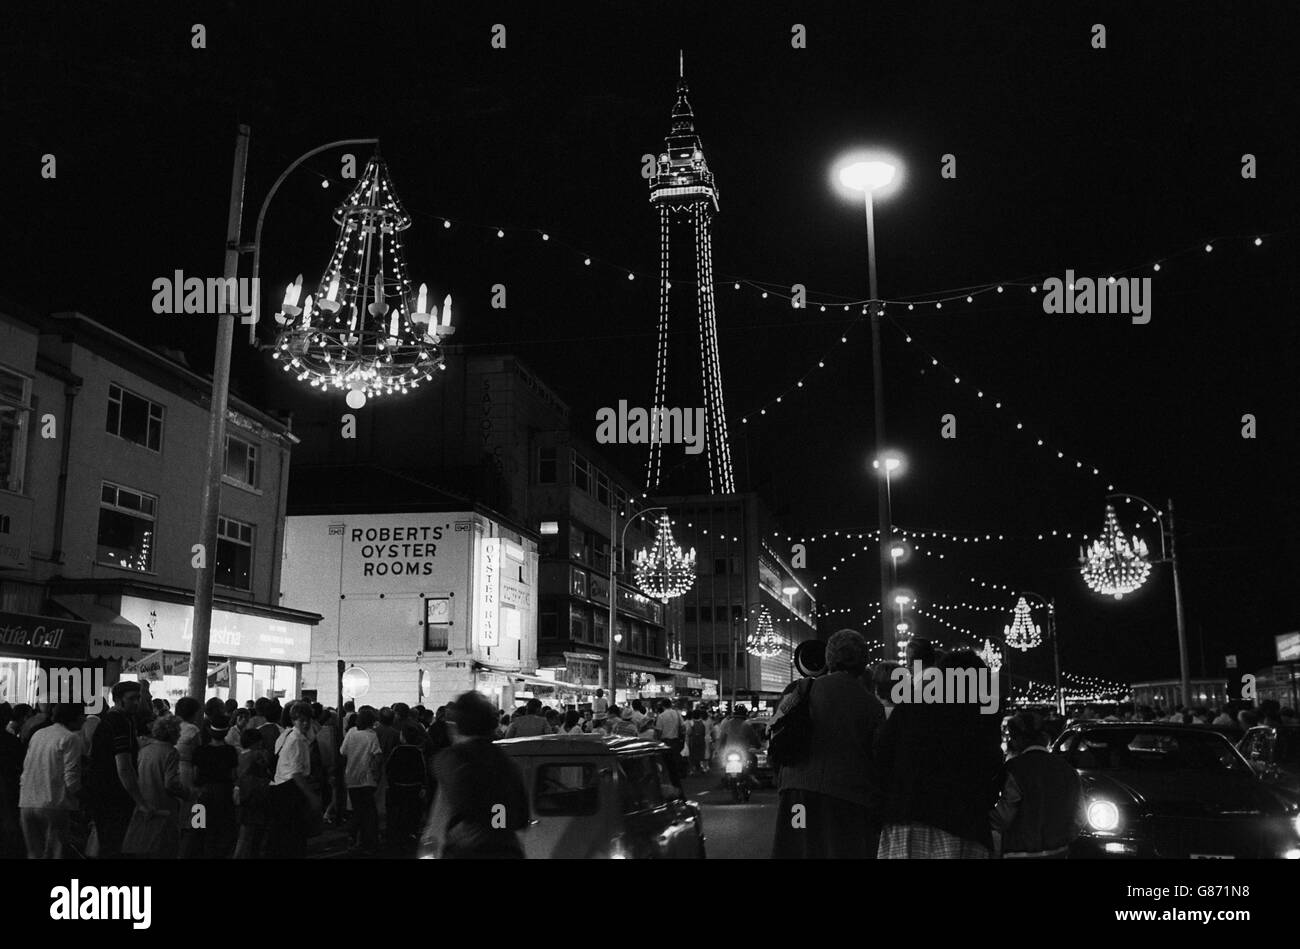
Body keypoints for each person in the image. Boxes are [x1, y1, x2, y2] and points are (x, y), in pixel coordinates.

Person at [876, 648, 1004, 859]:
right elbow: (990, 765)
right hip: (960, 822)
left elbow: (883, 756)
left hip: (906, 817)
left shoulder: (910, 706)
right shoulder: (979, 715)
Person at [771, 630, 886, 858]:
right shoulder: (871, 705)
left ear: (829, 658)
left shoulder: (802, 690)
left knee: (799, 846)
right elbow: (879, 758)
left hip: (797, 796)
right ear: (863, 662)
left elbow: (775, 732)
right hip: (845, 802)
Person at [425, 691, 529, 858]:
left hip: (467, 852)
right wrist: (497, 825)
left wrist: (478, 825)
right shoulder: (507, 762)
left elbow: (459, 800)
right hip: (507, 851)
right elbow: (520, 816)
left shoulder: (451, 759)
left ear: (456, 725)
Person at [989, 711, 1085, 859]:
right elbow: (1079, 817)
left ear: (1017, 740)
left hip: (1019, 852)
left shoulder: (1015, 768)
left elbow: (1004, 816)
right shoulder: (1067, 769)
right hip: (1059, 851)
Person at [86, 680, 146, 858]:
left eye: (138, 698)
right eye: (132, 698)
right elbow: (124, 767)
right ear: (119, 700)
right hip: (114, 795)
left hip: (100, 792)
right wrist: (140, 801)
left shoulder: (109, 721)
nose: (136, 702)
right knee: (116, 846)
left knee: (108, 845)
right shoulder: (120, 722)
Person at [18, 702, 85, 859]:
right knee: (55, 853)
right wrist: (84, 799)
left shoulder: (39, 734)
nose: (84, 720)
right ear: (74, 717)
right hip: (53, 803)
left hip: (27, 801)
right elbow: (71, 779)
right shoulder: (70, 738)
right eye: (82, 715)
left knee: (34, 854)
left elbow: (27, 767)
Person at [265, 702, 321, 858]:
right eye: (301, 720)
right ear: (294, 720)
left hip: (281, 787)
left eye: (307, 720)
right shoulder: (296, 740)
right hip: (289, 790)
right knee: (293, 836)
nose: (305, 723)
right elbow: (296, 773)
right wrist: (312, 796)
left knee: (283, 836)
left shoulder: (286, 735)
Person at [124, 716, 184, 859]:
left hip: (144, 803)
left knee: (144, 846)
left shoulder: (144, 750)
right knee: (165, 848)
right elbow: (170, 784)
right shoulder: (171, 752)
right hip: (164, 806)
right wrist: (186, 793)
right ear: (173, 733)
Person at [191, 716, 238, 858]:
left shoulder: (200, 750)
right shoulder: (230, 751)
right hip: (224, 793)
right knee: (222, 830)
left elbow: (195, 775)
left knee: (199, 829)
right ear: (227, 731)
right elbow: (234, 774)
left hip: (202, 794)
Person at [339, 706, 382, 854]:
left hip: (351, 777)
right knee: (369, 812)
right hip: (367, 778)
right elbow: (377, 755)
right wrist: (376, 773)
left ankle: (353, 838)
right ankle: (368, 842)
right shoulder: (372, 736)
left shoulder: (351, 732)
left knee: (357, 811)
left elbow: (342, 751)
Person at [386, 724, 428, 853]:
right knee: (412, 812)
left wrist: (391, 782)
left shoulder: (396, 751)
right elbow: (423, 771)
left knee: (397, 813)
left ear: (403, 737)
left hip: (398, 787)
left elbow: (389, 768)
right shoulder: (417, 752)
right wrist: (423, 786)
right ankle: (410, 834)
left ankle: (397, 838)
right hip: (413, 788)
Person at [233, 728, 272, 859]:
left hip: (242, 797)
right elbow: (265, 768)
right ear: (256, 742)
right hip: (254, 798)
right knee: (249, 835)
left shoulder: (240, 755)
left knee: (244, 834)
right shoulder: (256, 755)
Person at [687, 710, 709, 775]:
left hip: (693, 741)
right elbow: (705, 732)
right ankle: (703, 768)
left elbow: (689, 732)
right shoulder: (704, 723)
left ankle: (692, 770)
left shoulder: (691, 722)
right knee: (701, 755)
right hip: (701, 740)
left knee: (692, 756)